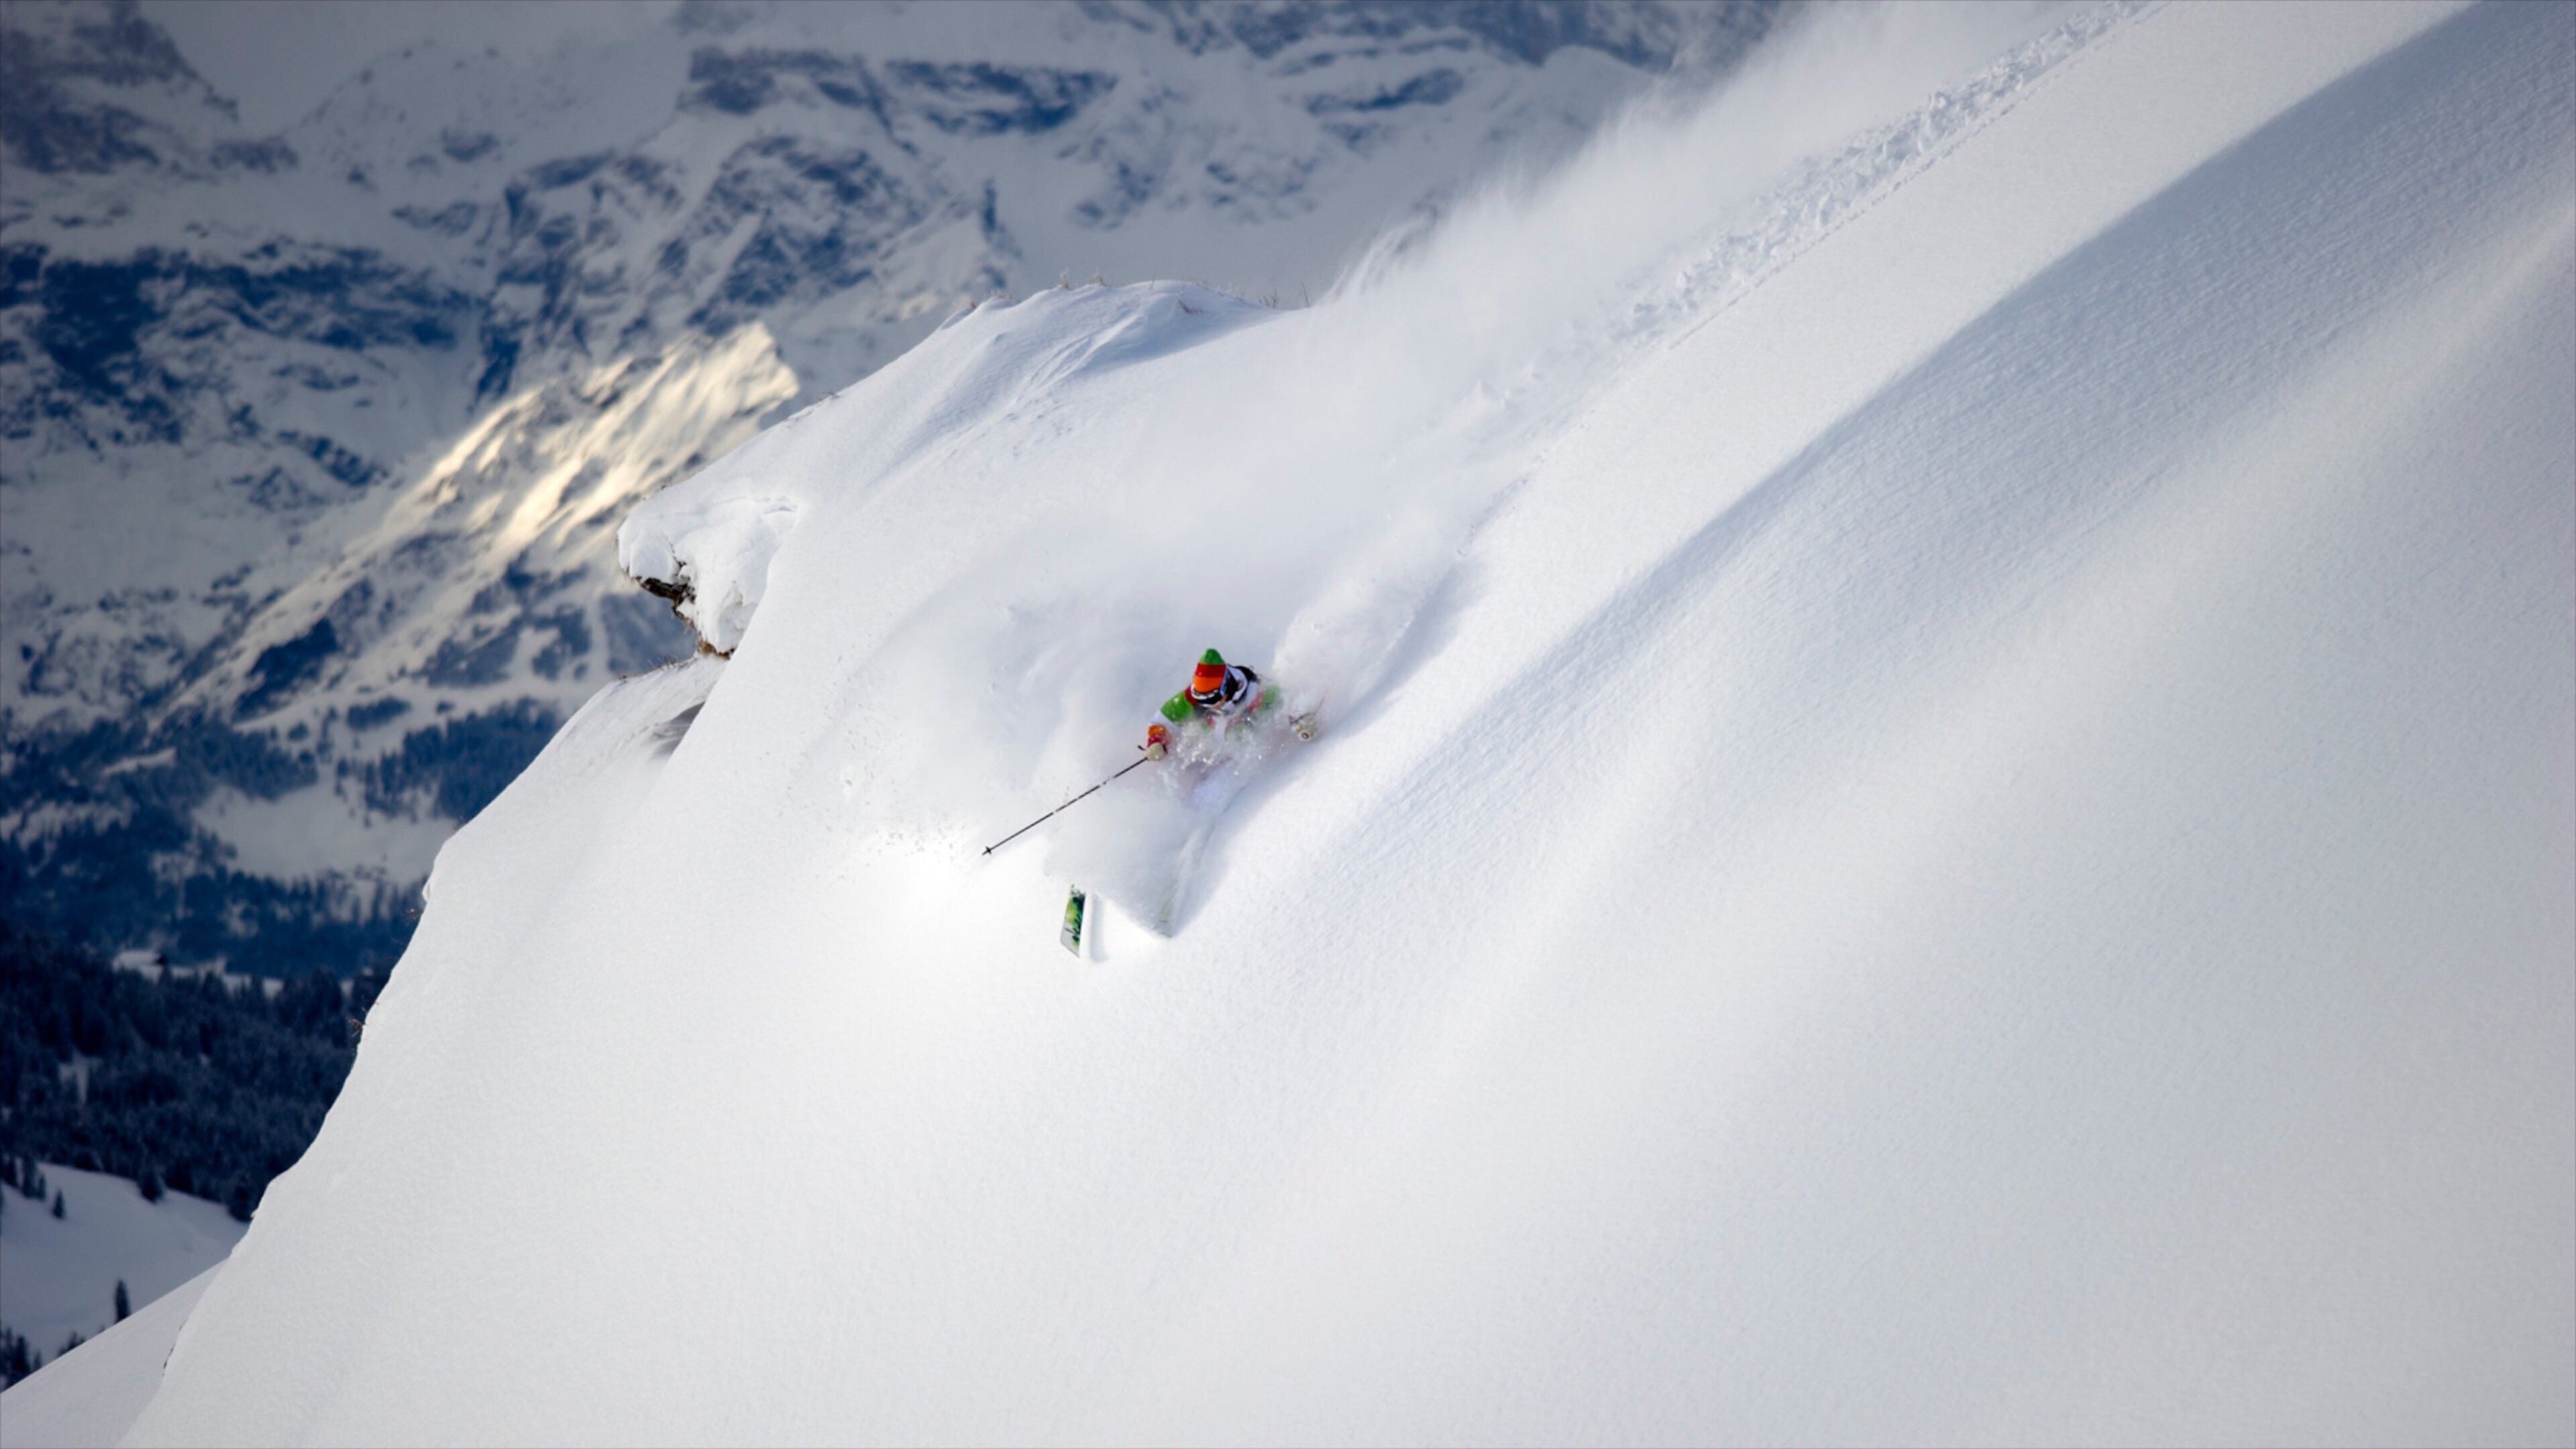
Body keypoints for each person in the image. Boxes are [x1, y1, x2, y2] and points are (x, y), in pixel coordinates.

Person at [1144, 648, 1277, 758]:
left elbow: (1282, 702)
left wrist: (1294, 717)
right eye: (1200, 698)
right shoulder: (1191, 700)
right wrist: (1157, 741)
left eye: (1210, 699)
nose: (1207, 705)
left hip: (1246, 755)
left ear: (1225, 687)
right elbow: (1162, 721)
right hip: (1208, 757)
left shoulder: (1253, 694)